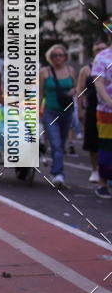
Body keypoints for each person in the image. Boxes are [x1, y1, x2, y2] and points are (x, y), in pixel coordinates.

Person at [39, 44, 76, 188]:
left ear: (65, 57)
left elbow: (76, 87)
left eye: (61, 55)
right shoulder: (44, 72)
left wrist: (74, 91)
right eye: (55, 55)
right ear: (50, 57)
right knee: (56, 143)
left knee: (62, 142)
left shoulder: (71, 70)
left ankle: (56, 171)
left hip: (67, 111)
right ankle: (58, 173)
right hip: (50, 111)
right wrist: (36, 111)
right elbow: (41, 93)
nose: (58, 58)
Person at [77, 40, 108, 183]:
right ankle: (95, 169)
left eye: (103, 48)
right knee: (93, 140)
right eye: (98, 49)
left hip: (105, 107)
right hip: (94, 107)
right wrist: (80, 109)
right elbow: (80, 91)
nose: (100, 50)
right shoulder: (86, 69)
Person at [90, 39, 112, 199]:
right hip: (107, 111)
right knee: (107, 146)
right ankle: (103, 182)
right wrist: (110, 102)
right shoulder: (102, 57)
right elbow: (99, 84)